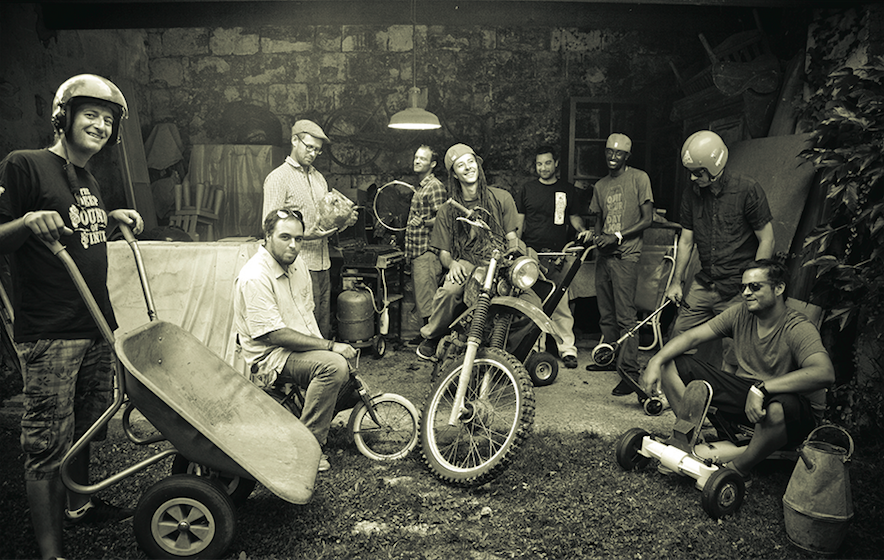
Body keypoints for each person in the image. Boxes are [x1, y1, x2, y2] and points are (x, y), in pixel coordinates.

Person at [0, 74, 144, 560]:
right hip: (52, 331)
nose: (100, 125)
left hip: (96, 324)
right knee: (47, 441)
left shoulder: (88, 179)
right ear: (63, 116)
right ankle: (50, 553)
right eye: (91, 115)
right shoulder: (24, 164)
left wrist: (110, 218)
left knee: (87, 424)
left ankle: (79, 507)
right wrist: (25, 221)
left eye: (108, 120)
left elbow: (76, 229)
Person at [642, 259, 834, 482]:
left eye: (755, 287)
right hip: (749, 399)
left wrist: (762, 388)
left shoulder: (797, 327)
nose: (746, 293)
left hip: (792, 413)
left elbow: (824, 373)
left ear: (779, 288)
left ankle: (738, 469)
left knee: (778, 407)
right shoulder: (741, 314)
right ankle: (691, 442)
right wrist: (655, 360)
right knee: (670, 363)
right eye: (743, 287)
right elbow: (692, 337)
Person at [234, 208, 357, 472]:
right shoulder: (255, 276)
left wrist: (331, 350)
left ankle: (301, 417)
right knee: (333, 367)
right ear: (267, 236)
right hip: (270, 355)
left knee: (349, 376)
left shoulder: (298, 264)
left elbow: (306, 315)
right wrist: (330, 348)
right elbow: (274, 334)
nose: (293, 245)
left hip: (294, 348)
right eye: (285, 237)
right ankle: (307, 448)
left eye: (298, 239)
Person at [665, 130, 775, 368]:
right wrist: (676, 282)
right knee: (678, 338)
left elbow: (767, 240)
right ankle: (672, 386)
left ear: (714, 166)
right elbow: (686, 241)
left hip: (737, 287)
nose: (693, 177)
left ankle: (726, 391)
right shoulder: (690, 194)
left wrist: (754, 287)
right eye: (690, 172)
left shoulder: (747, 189)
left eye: (698, 172)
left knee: (735, 353)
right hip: (705, 282)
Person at [415, 143, 525, 360]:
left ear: (478, 165)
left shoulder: (502, 198)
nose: (467, 168)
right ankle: (433, 335)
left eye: (471, 162)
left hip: (498, 260)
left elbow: (512, 237)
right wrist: (452, 264)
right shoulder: (447, 210)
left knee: (524, 299)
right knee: (449, 291)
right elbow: (444, 252)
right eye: (460, 165)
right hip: (466, 261)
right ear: (454, 175)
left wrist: (514, 260)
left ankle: (517, 351)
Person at [586, 133, 654, 397]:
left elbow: (647, 219)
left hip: (626, 255)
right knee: (606, 314)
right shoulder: (600, 185)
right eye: (609, 152)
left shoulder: (639, 178)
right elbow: (598, 220)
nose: (613, 157)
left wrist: (617, 236)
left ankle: (629, 372)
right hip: (604, 257)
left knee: (626, 317)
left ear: (627, 156)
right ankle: (610, 358)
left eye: (619, 153)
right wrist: (597, 238)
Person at [263, 119, 343, 339]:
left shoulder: (319, 179)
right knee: (303, 329)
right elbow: (269, 227)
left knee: (322, 327)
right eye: (309, 147)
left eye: (317, 150)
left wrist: (343, 220)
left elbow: (324, 219)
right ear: (294, 140)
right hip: (297, 266)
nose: (313, 153)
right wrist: (305, 236)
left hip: (323, 264)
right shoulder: (278, 178)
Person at [514, 144, 589, 369]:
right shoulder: (527, 189)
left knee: (561, 303)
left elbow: (574, 217)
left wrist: (582, 230)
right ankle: (536, 350)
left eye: (547, 163)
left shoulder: (567, 189)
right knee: (534, 303)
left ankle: (567, 349)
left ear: (556, 163)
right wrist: (517, 249)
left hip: (559, 254)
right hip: (532, 254)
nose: (543, 168)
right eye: (539, 164)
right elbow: (519, 223)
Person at [404, 145, 446, 346]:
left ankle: (432, 341)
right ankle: (426, 335)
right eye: (416, 157)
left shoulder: (435, 186)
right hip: (418, 251)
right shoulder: (421, 187)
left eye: (423, 158)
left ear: (433, 164)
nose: (417, 161)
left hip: (427, 251)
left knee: (428, 298)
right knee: (422, 298)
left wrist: (424, 222)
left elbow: (443, 220)